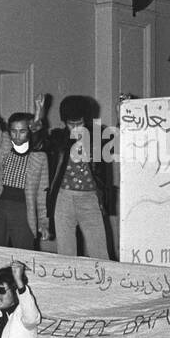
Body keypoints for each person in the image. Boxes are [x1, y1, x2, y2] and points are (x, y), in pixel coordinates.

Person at [0, 76, 49, 249]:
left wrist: (44, 221)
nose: (17, 136)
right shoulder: (3, 142)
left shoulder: (39, 156)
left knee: (24, 255)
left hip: (24, 210)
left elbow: (42, 192)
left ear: (29, 131)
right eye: (13, 131)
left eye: (22, 132)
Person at [46, 96, 113, 259]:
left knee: (99, 251)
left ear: (87, 120)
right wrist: (37, 116)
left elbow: (124, 139)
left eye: (79, 123)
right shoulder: (57, 137)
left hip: (89, 198)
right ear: (64, 121)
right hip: (63, 198)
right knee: (65, 252)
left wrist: (121, 115)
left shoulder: (99, 137)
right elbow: (38, 143)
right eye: (71, 124)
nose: (75, 128)